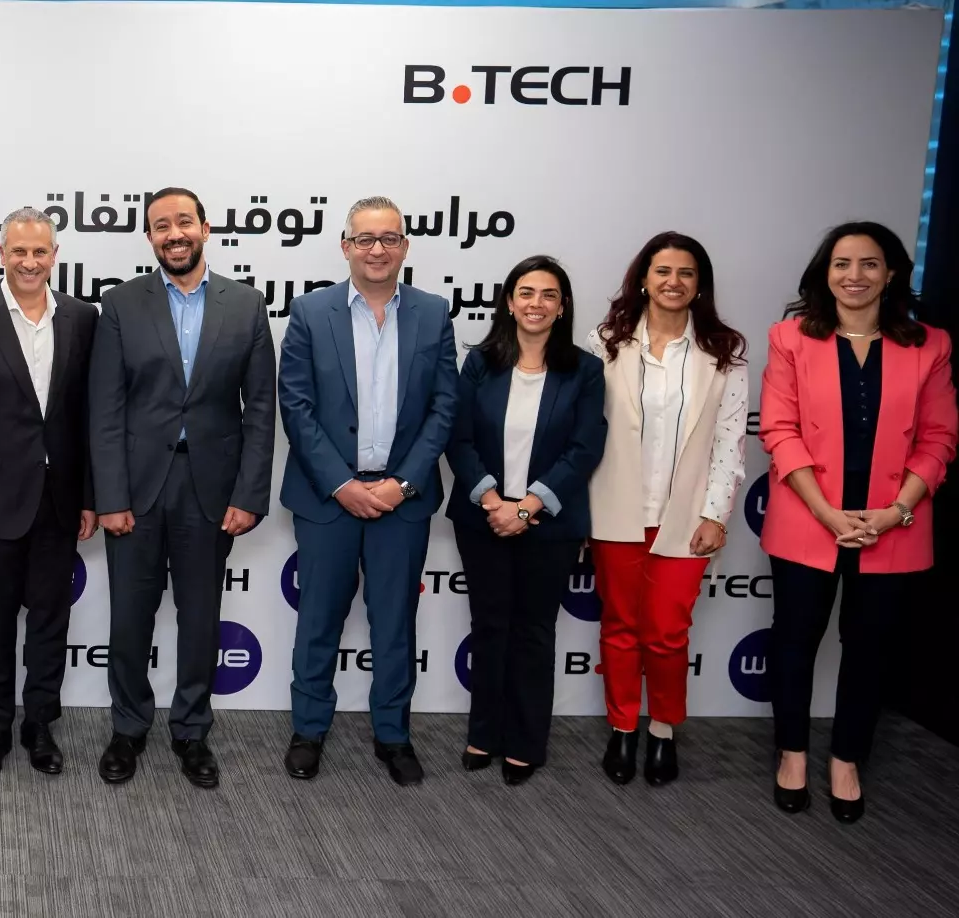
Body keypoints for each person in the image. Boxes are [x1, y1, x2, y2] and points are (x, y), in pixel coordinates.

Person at [760, 221, 956, 823]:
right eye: (842, 263)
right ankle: (792, 754)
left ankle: (847, 758)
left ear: (891, 273)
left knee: (869, 649)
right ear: (826, 273)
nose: (854, 275)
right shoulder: (791, 338)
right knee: (794, 642)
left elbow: (940, 438)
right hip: (808, 518)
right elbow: (779, 429)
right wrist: (825, 511)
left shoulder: (930, 345)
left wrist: (896, 512)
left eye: (869, 264)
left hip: (892, 525)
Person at [89, 187, 276, 789]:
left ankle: (192, 729)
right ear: (150, 237)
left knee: (200, 618)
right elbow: (106, 409)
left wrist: (249, 494)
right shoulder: (121, 304)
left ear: (205, 228)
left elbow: (261, 409)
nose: (174, 233)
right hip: (138, 489)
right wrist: (110, 496)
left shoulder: (246, 305)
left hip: (212, 489)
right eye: (161, 225)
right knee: (129, 618)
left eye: (184, 222)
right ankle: (128, 727)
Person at [278, 197, 458, 786]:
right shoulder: (310, 312)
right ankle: (309, 731)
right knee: (318, 620)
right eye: (365, 239)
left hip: (402, 501)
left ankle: (393, 734)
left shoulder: (433, 313)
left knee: (395, 622)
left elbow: (444, 407)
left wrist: (404, 483)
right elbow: (296, 405)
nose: (376, 249)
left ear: (405, 246)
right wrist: (341, 484)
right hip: (327, 499)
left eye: (388, 238)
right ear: (345, 246)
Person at [0, 207, 99, 779]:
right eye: (19, 251)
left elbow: (89, 417)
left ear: (55, 256)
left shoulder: (82, 318)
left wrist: (89, 496)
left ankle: (40, 724)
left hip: (59, 501)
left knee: (51, 621)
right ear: (1, 254)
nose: (30, 262)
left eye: (40, 252)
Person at [587, 232, 748, 787]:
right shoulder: (605, 342)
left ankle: (662, 730)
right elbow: (586, 429)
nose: (673, 282)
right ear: (643, 279)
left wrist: (716, 514)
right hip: (616, 510)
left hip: (686, 517)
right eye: (662, 271)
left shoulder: (724, 351)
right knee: (619, 627)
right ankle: (622, 727)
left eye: (685, 273)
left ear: (700, 284)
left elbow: (729, 442)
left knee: (667, 634)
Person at [446, 255, 605, 785]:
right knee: (489, 626)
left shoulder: (585, 371)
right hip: (483, 517)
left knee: (535, 631)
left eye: (549, 295)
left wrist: (529, 506)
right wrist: (494, 502)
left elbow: (584, 448)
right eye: (527, 293)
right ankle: (483, 733)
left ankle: (525, 741)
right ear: (510, 303)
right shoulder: (480, 363)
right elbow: (459, 438)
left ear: (562, 308)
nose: (537, 303)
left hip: (548, 523)